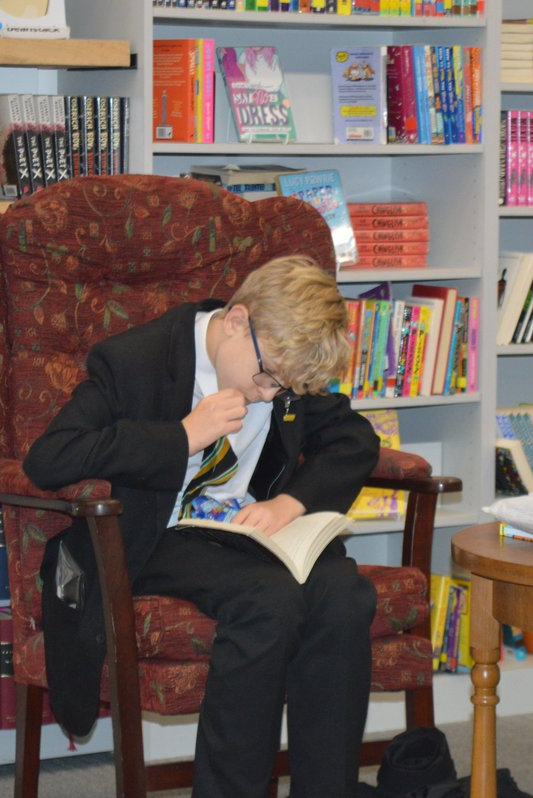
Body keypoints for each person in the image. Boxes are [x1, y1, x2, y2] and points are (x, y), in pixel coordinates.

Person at [23, 255, 380, 798]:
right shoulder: (135, 360)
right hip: (155, 532)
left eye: (281, 388)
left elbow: (355, 440)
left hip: (242, 531)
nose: (268, 394)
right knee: (269, 601)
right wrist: (181, 436)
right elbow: (50, 457)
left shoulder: (281, 368)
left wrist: (290, 502)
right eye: (265, 378)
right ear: (237, 321)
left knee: (345, 593)